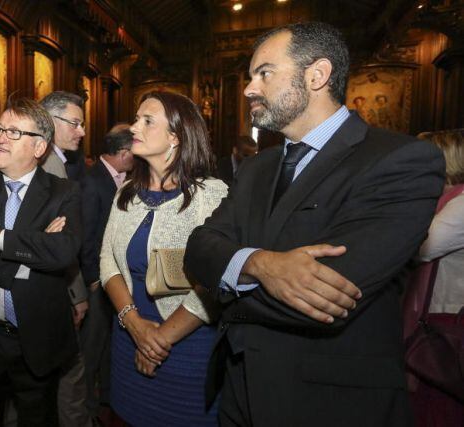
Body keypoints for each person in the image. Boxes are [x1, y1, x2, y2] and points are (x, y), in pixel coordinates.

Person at [183, 22, 445, 427]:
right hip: (239, 388)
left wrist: (226, 278)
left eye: (264, 73)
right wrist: (259, 264)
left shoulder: (401, 160)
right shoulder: (257, 167)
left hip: (327, 402)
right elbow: (199, 246)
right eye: (250, 76)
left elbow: (326, 296)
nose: (249, 88)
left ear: (317, 75)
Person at [100, 91, 227, 426]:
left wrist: (158, 340)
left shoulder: (212, 196)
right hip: (128, 338)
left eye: (146, 120)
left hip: (187, 349)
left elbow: (214, 283)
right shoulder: (126, 192)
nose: (133, 127)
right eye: (136, 118)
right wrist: (135, 325)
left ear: (176, 136)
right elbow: (107, 263)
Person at [0, 96, 81, 426]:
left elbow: (63, 253)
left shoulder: (63, 192)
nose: (0, 137)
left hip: (38, 337)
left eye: (13, 132)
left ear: (39, 147)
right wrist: (32, 254)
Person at [39, 90, 91, 427]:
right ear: (48, 121)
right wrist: (78, 293)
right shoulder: (52, 165)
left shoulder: (50, 160)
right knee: (70, 370)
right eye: (75, 123)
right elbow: (60, 242)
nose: (81, 131)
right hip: (53, 289)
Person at [78, 123, 134, 419]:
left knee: (110, 343)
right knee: (92, 346)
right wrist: (92, 281)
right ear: (124, 152)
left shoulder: (125, 177)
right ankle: (85, 408)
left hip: (117, 278)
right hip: (99, 281)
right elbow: (87, 237)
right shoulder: (91, 181)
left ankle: (108, 401)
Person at [409, 129, 464, 427]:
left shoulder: (461, 204)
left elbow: (421, 247)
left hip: (449, 321)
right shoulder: (447, 200)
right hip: (438, 316)